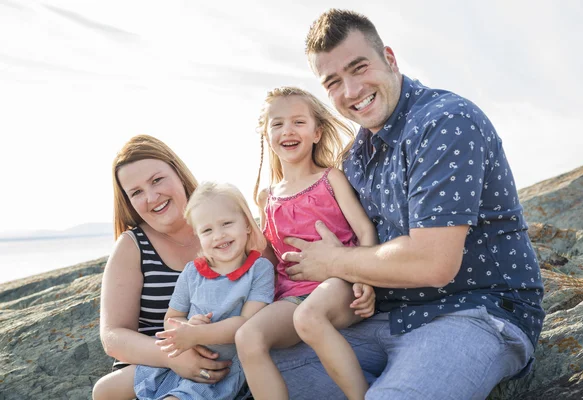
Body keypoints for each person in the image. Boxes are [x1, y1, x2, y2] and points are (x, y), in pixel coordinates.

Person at [271, 9, 546, 399]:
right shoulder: (356, 156)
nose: (350, 91)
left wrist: (332, 261)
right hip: (385, 318)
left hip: (473, 311)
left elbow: (433, 262)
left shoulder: (445, 122)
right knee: (251, 362)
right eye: (333, 82)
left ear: (390, 58)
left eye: (359, 67)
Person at [234, 86, 378, 400]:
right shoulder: (266, 197)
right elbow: (270, 255)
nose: (287, 130)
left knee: (308, 316)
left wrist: (365, 279)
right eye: (277, 123)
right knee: (247, 336)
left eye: (299, 122)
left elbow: (365, 230)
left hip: (340, 285)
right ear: (266, 135)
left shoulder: (330, 179)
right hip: (292, 296)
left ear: (316, 133)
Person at [93, 136, 237, 399]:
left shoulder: (225, 226)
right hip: (151, 374)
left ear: (178, 173)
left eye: (157, 180)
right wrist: (172, 356)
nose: (151, 197)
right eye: (136, 192)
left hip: (228, 362)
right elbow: (112, 336)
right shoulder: (131, 247)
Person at [133, 181, 275, 400]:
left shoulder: (259, 269)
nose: (218, 235)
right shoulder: (193, 272)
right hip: (183, 356)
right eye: (207, 230)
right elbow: (172, 318)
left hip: (216, 371)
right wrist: (187, 328)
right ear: (198, 236)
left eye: (226, 223)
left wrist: (197, 334)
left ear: (247, 224)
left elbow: (246, 323)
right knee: (105, 390)